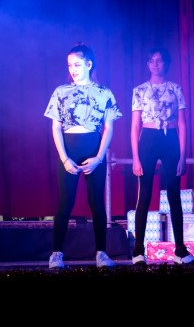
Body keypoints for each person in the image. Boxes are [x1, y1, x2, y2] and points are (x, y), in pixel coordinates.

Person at [44, 43, 122, 269]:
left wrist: (99, 158)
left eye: (77, 65)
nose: (73, 70)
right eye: (69, 65)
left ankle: (101, 253)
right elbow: (55, 127)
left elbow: (109, 128)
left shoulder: (104, 92)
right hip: (68, 150)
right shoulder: (61, 92)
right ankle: (56, 254)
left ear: (89, 64)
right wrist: (64, 158)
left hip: (94, 150)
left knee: (96, 202)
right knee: (65, 203)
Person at [130, 47, 194, 265]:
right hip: (148, 139)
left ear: (166, 63)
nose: (156, 64)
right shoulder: (139, 90)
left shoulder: (176, 89)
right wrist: (135, 157)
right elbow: (135, 127)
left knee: (174, 195)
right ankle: (138, 250)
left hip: (170, 139)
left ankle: (180, 250)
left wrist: (182, 156)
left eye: (159, 60)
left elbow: (182, 124)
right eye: (152, 60)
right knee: (144, 195)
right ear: (148, 64)